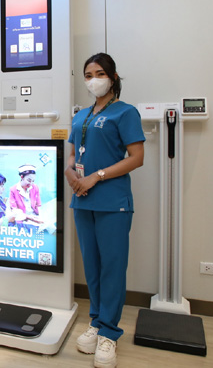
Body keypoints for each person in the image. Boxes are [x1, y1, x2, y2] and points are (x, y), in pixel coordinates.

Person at [65, 53, 145, 368]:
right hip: (82, 199)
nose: (93, 80)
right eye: (88, 75)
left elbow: (136, 157)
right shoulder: (80, 116)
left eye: (99, 73)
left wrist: (96, 176)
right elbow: (73, 155)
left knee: (112, 267)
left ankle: (110, 333)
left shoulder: (125, 112)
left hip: (113, 201)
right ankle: (97, 322)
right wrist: (71, 173)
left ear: (112, 78)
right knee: (92, 267)